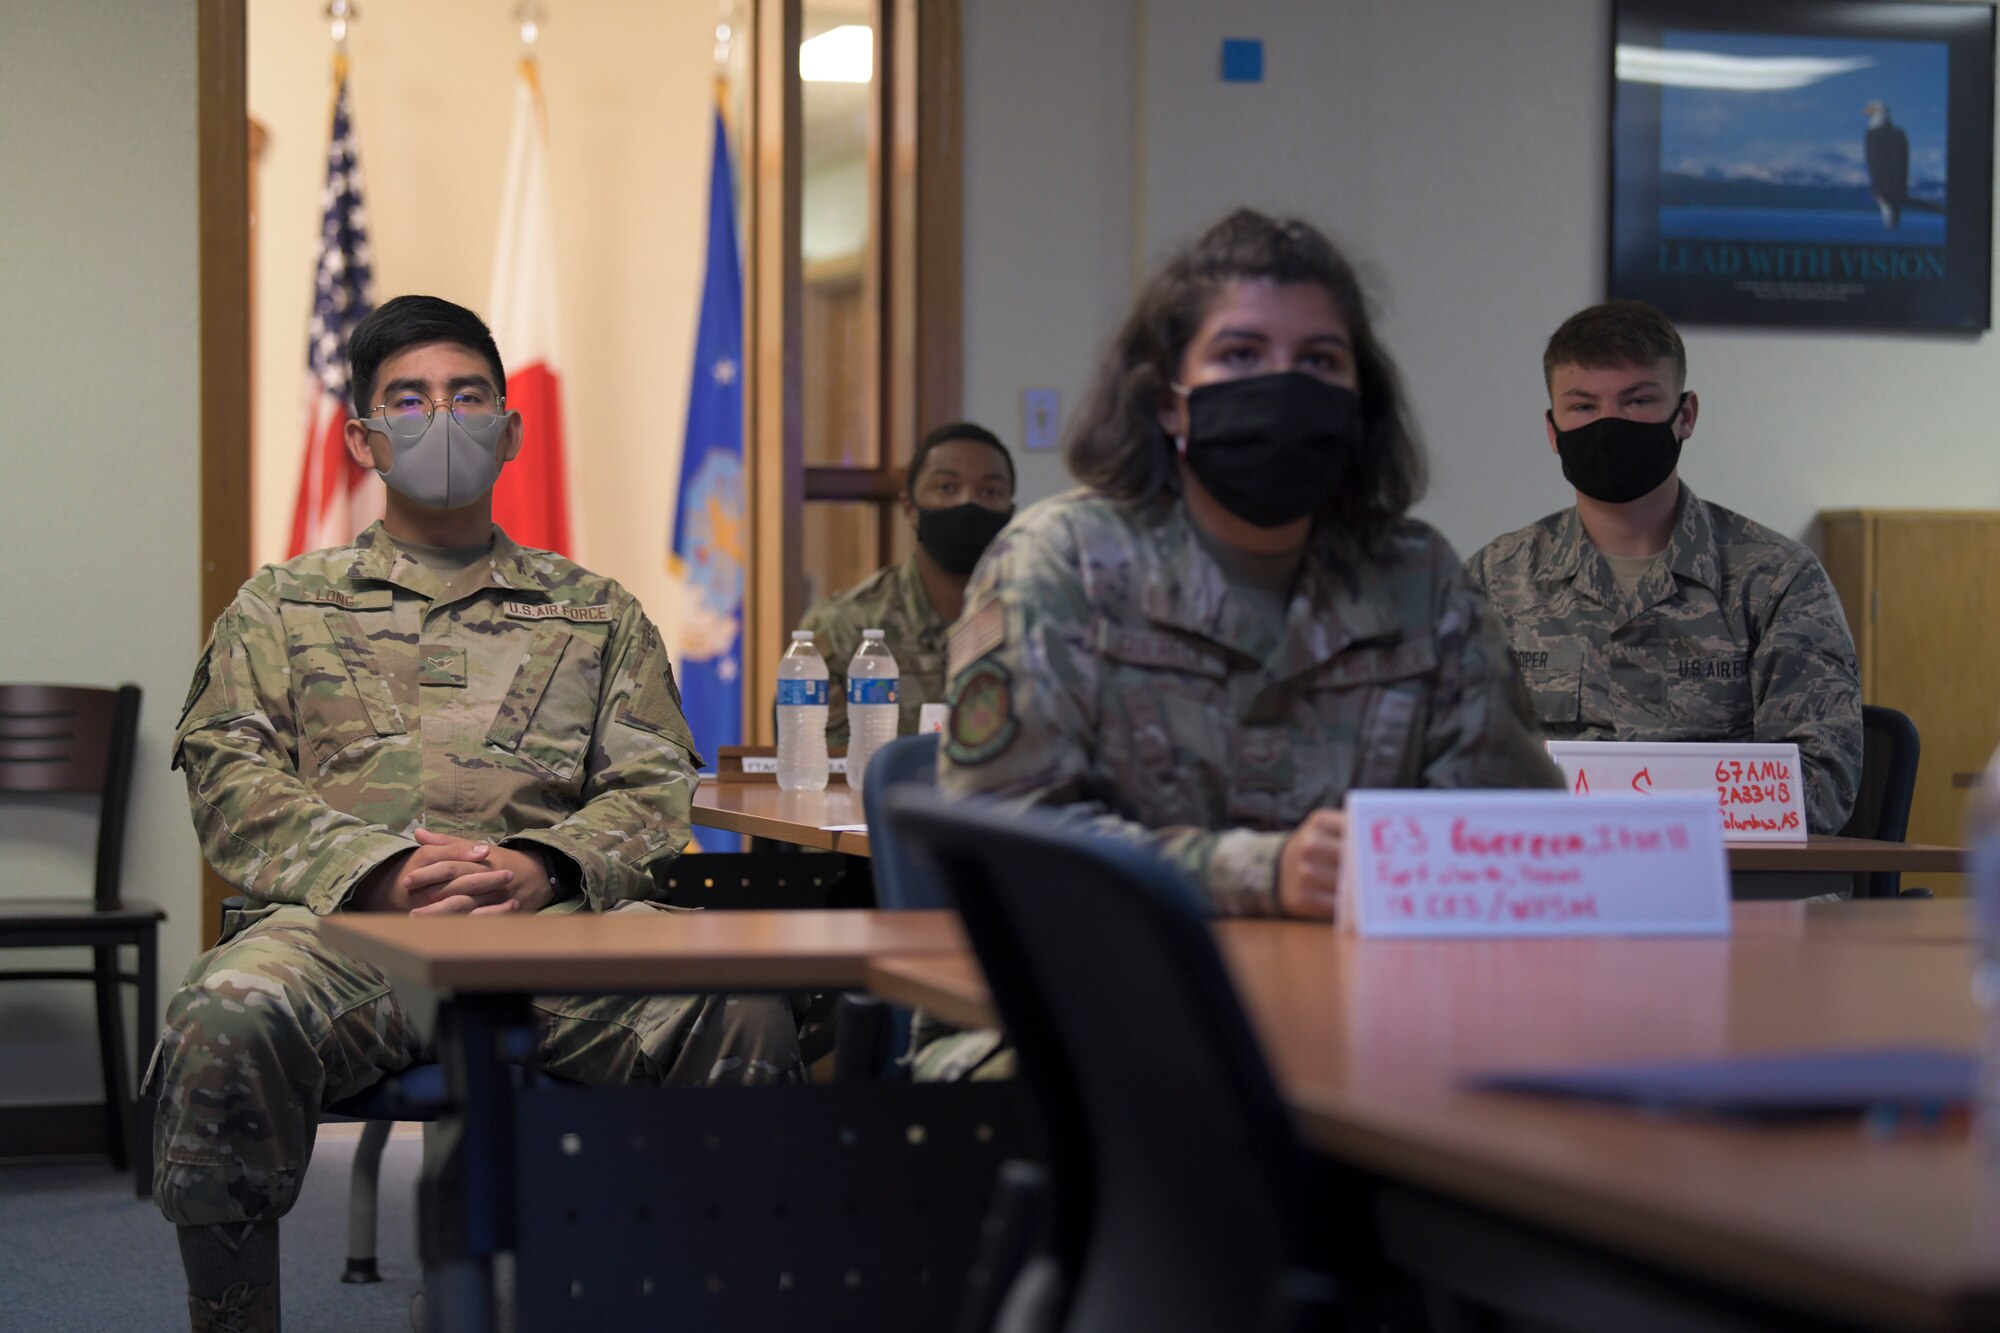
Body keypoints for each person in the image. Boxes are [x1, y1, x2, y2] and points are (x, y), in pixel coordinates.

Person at [149, 296, 802, 1332]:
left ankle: (699, 1301)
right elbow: (229, 774)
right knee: (223, 1015)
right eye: (406, 399)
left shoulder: (597, 612)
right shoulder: (281, 604)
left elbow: (650, 786)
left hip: (554, 930)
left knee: (741, 1005)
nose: (439, 419)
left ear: (509, 427)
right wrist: (378, 868)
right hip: (345, 929)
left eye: (466, 396)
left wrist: (543, 863)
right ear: (361, 437)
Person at [933, 206, 1558, 1001]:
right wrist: (1261, 873)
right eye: (1240, 353)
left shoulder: (1419, 577)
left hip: (1368, 1018)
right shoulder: (1062, 562)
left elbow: (1513, 838)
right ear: (1170, 401)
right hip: (1087, 1015)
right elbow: (1009, 844)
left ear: (1359, 398)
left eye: (1321, 359)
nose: (1284, 383)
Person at [1465, 299, 1862, 834]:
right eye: (1583, 406)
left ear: (1686, 415)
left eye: (1637, 401)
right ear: (1553, 429)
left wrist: (1643, 823)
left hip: (1731, 889)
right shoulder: (1494, 579)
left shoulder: (1776, 579)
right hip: (1551, 883)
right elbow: (1443, 765)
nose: (1609, 424)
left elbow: (1819, 786)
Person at [799, 422, 1016, 744]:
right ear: (910, 508)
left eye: (990, 492)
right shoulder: (845, 627)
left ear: (1011, 512)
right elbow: (816, 762)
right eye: (946, 488)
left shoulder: (1039, 620)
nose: (968, 503)